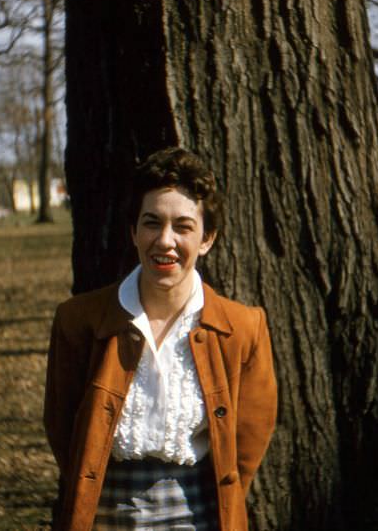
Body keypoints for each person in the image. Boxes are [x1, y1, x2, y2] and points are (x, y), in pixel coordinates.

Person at [44, 147, 277, 530]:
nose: (165, 241)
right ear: (133, 231)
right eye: (152, 223)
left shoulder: (243, 328)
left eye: (183, 226)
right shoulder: (79, 321)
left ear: (207, 238)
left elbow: (250, 438)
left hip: (199, 514)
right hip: (103, 514)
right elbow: (61, 425)